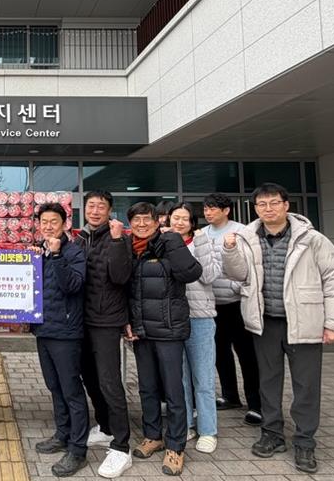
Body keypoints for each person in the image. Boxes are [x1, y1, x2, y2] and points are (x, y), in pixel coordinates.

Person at [222, 182, 334, 474]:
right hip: (266, 322)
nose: (268, 209)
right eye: (262, 204)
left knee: (306, 385)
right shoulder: (247, 237)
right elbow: (237, 274)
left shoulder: (312, 239)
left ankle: (305, 442)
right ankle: (272, 434)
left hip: (304, 320)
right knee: (268, 381)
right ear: (255, 208)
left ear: (286, 205)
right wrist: (229, 250)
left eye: (274, 203)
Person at [125, 202, 201, 476]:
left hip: (169, 329)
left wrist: (173, 241)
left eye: (147, 219)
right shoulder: (129, 248)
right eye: (136, 220)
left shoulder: (170, 241)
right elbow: (127, 290)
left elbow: (191, 273)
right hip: (142, 330)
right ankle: (152, 436)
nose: (142, 224)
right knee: (147, 387)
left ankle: (176, 446)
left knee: (173, 389)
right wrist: (129, 323)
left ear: (158, 222)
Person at [74, 190, 133, 478]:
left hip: (107, 320)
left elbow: (121, 277)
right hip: (81, 319)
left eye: (101, 206)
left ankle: (122, 446)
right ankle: (106, 427)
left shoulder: (118, 237)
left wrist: (118, 240)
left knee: (110, 382)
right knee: (89, 377)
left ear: (110, 210)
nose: (95, 211)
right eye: (91, 206)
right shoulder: (80, 238)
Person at [30, 203, 88, 477]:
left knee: (71, 390)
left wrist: (55, 255)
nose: (48, 226)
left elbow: (72, 285)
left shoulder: (73, 251)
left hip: (66, 331)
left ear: (65, 224)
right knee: (54, 387)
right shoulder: (39, 252)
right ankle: (62, 434)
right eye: (44, 221)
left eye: (54, 221)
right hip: (44, 329)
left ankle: (78, 449)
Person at [203, 193, 262, 426]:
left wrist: (237, 286)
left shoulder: (242, 232)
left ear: (226, 210)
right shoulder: (202, 234)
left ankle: (256, 404)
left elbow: (252, 264)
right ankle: (230, 396)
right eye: (206, 209)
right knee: (220, 353)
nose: (208, 212)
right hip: (213, 305)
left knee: (247, 355)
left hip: (238, 304)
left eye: (213, 208)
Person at [168, 203, 220, 454]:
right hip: (173, 320)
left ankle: (208, 430)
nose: (179, 222)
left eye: (184, 219)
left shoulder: (203, 243)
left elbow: (209, 276)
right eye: (175, 218)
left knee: (203, 378)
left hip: (200, 318)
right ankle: (186, 424)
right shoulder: (165, 244)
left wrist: (200, 244)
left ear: (192, 223)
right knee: (180, 379)